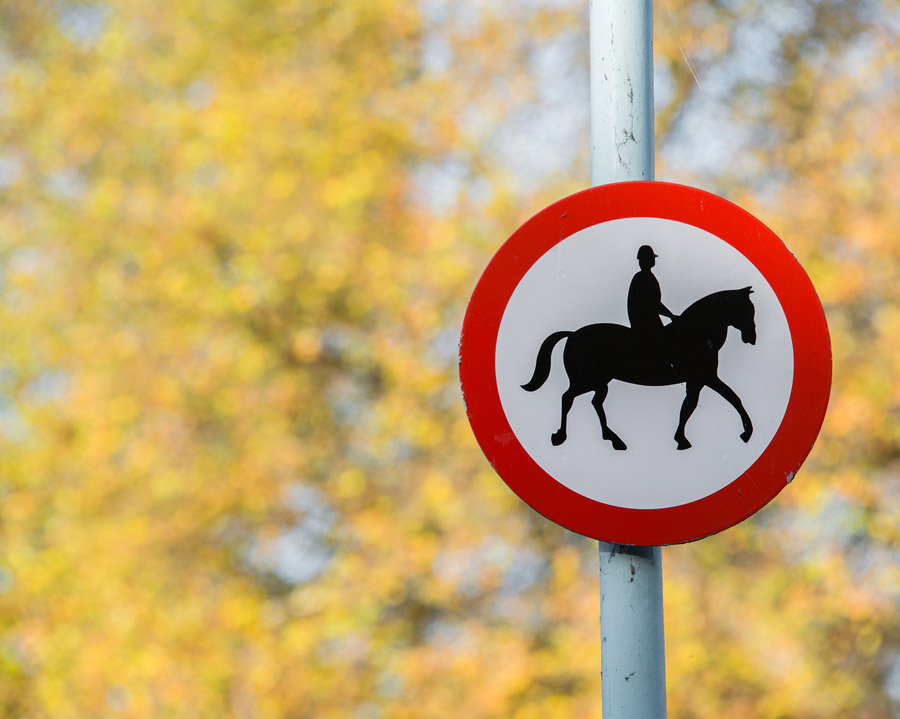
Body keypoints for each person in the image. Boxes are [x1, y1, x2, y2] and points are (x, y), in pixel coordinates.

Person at [627, 245, 677, 336]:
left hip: (645, 321)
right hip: (647, 323)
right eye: (651, 258)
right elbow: (653, 303)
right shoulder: (644, 278)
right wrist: (671, 315)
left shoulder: (644, 277)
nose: (653, 260)